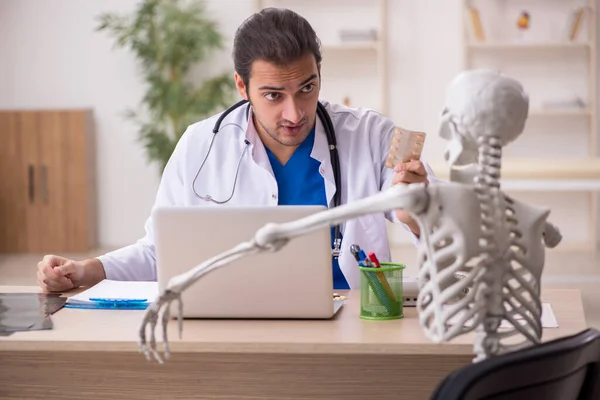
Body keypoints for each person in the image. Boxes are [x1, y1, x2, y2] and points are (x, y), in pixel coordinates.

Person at [37, 7, 435, 293]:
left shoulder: (372, 136)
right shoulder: (200, 146)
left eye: (307, 89)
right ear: (242, 88)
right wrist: (90, 270)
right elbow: (162, 252)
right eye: (274, 95)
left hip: (353, 317)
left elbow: (449, 233)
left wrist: (417, 215)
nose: (294, 112)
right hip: (240, 320)